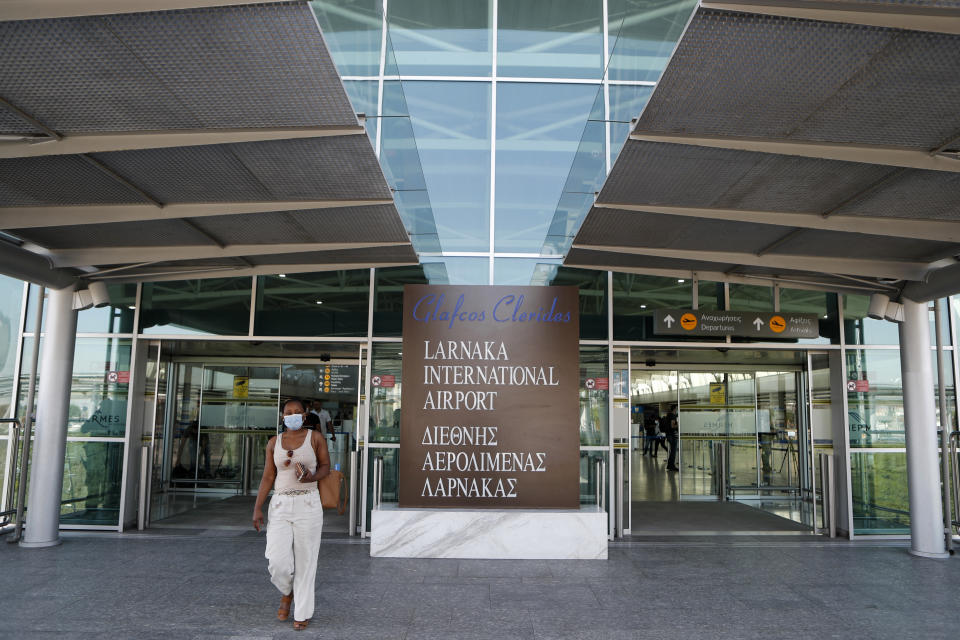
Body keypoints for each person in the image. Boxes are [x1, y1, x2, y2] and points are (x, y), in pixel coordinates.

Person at [252, 399, 331, 631]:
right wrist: (257, 507)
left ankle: (302, 612)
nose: (293, 415)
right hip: (280, 504)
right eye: (289, 412)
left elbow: (326, 466)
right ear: (282, 417)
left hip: (308, 503)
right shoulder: (274, 442)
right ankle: (287, 592)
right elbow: (268, 476)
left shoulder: (314, 438)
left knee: (306, 561)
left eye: (298, 412)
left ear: (305, 416)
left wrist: (311, 477)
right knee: (277, 561)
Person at [661, 406, 679, 471]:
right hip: (672, 435)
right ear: (674, 409)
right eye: (676, 409)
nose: (677, 410)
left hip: (668, 434)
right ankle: (671, 465)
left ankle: (670, 465)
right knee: (673, 451)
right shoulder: (672, 416)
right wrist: (679, 425)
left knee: (672, 451)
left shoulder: (668, 416)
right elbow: (672, 426)